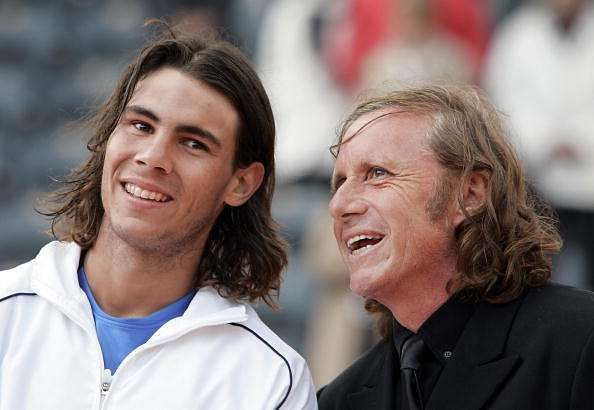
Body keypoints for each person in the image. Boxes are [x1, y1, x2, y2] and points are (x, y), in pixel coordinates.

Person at [0, 27, 316, 409]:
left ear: (242, 182)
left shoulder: (270, 380)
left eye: (193, 143)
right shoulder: (7, 312)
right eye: (141, 126)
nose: (152, 157)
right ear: (106, 139)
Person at [317, 84, 594, 409]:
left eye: (377, 173)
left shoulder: (580, 340)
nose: (339, 205)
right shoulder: (337, 401)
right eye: (338, 183)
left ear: (470, 194)